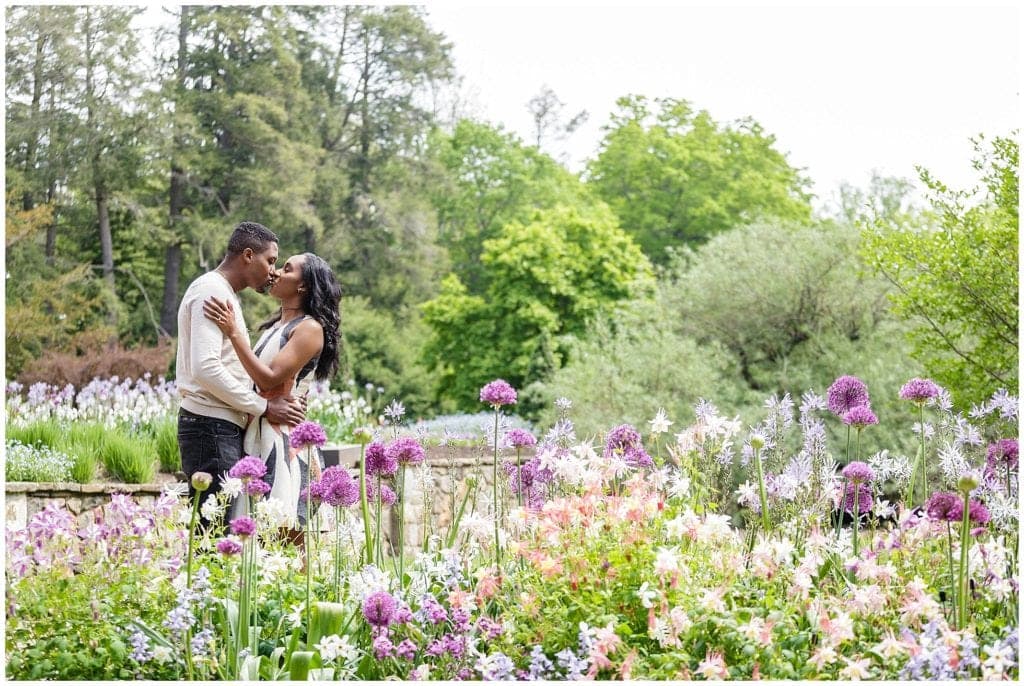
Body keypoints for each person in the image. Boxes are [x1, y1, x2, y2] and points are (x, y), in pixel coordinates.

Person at [202, 252, 342, 538]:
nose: (275, 272)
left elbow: (267, 377)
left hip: (284, 440)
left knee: (283, 531)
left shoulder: (310, 328)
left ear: (303, 286)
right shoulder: (275, 328)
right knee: (257, 534)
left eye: (286, 269)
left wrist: (233, 333)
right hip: (260, 432)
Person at [176, 221, 306, 521]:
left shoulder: (224, 294)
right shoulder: (212, 291)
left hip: (219, 427)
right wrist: (262, 406)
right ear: (248, 255)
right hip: (210, 427)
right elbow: (205, 368)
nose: (272, 271)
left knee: (222, 532)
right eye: (270, 261)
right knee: (214, 534)